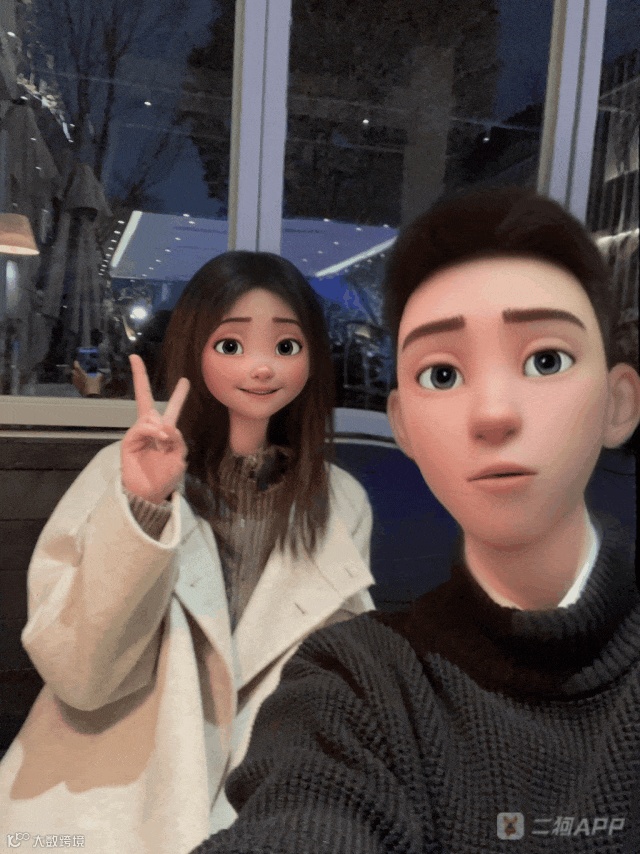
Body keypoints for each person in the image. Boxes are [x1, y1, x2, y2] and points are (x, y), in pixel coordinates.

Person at [191, 188, 640, 854]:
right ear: (402, 425)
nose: (494, 413)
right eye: (442, 374)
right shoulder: (357, 681)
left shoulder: (338, 499)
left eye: (545, 360)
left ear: (619, 402)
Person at [0, 251, 375, 854]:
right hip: (111, 789)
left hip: (268, 797)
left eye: (286, 346)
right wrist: (144, 507)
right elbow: (80, 678)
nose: (261, 367)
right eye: (230, 346)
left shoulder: (339, 502)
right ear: (192, 350)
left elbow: (337, 680)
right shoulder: (119, 473)